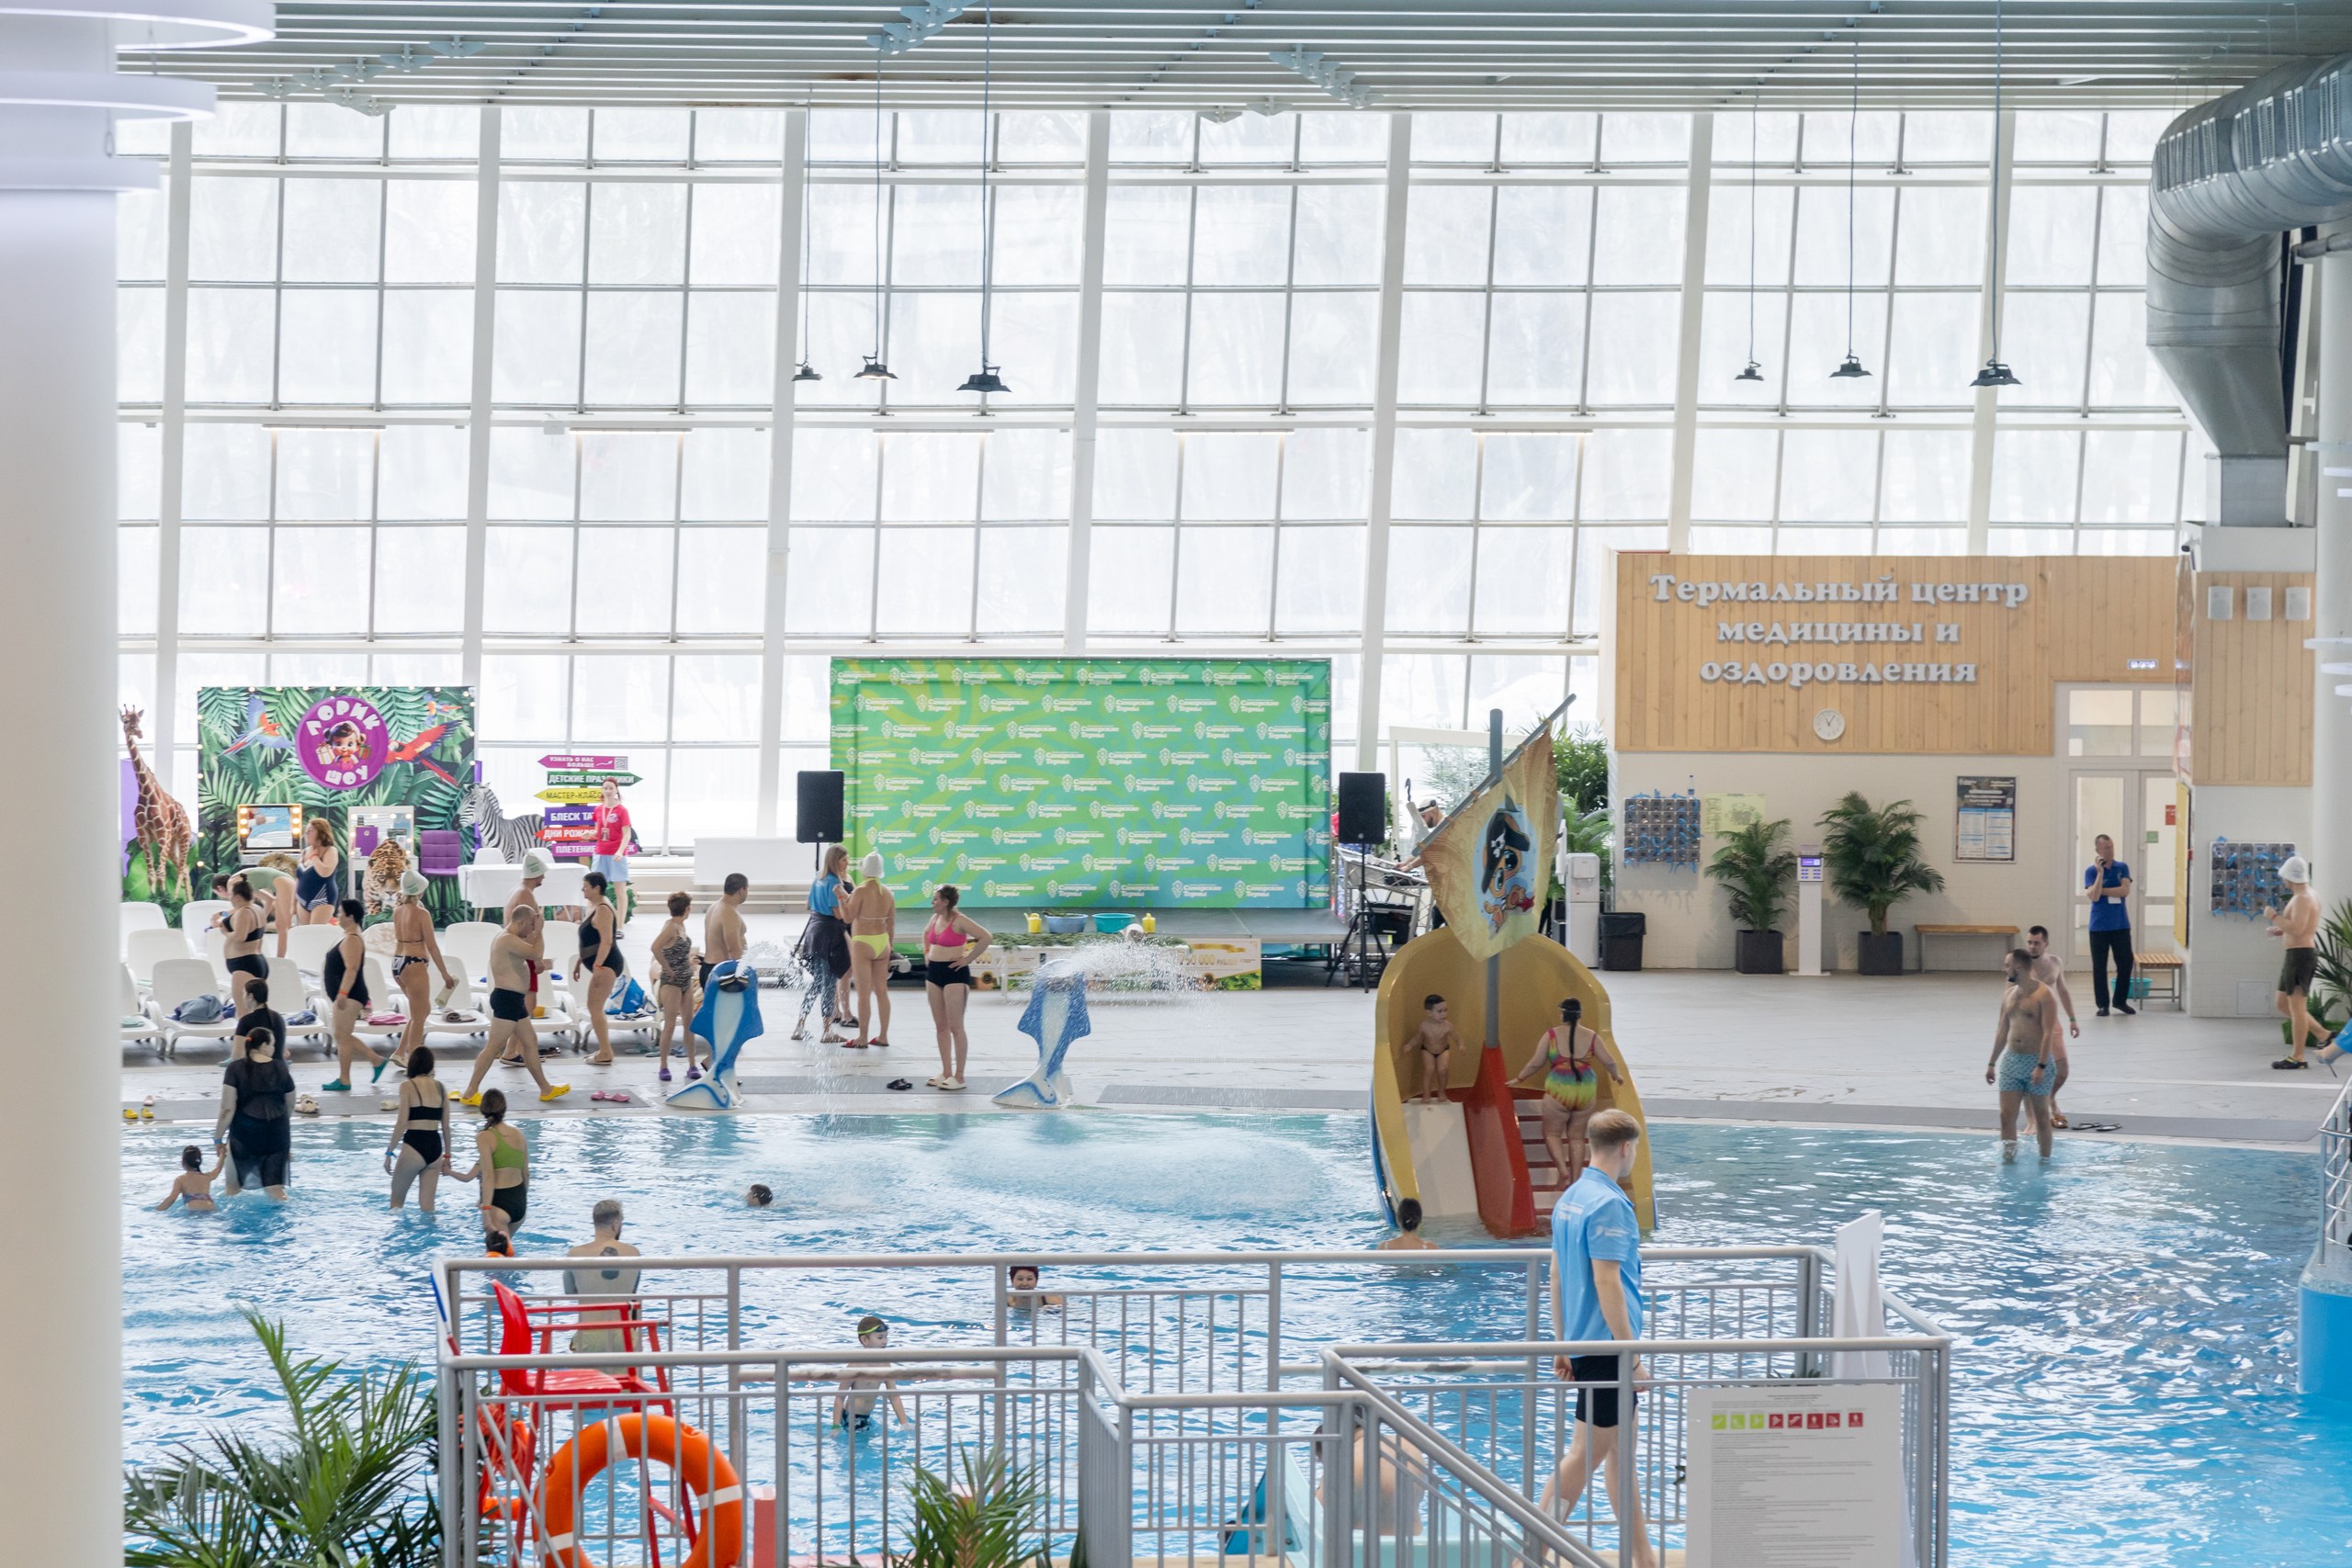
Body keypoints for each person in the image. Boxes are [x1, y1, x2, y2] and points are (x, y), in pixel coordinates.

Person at [1539, 1109, 1653, 1568]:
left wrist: (1563, 1343)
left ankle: (1643, 1560)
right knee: (1584, 1458)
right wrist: (1632, 1356)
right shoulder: (1609, 1205)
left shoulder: (1573, 1197)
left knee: (1620, 1459)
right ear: (1626, 1148)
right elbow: (1607, 1282)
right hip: (1607, 1351)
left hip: (1585, 1345)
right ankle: (1530, 1553)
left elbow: (1556, 1274)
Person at [1508, 998, 1628, 1190]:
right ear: (1580, 1015)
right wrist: (1616, 1076)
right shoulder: (1592, 1037)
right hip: (1585, 1090)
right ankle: (1575, 1180)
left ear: (1562, 1014)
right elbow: (1609, 1061)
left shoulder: (1552, 1035)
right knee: (1577, 1138)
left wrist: (1519, 1078)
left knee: (1552, 1133)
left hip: (1559, 1089)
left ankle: (1563, 1170)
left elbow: (1536, 1063)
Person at [462, 905, 568, 1104]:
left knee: (530, 1042)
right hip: (507, 1000)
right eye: (530, 925)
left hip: (514, 1000)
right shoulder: (507, 939)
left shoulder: (510, 939)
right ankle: (470, 1092)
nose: (531, 929)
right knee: (493, 1047)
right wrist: (540, 931)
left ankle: (546, 1089)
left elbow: (532, 957)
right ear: (521, 922)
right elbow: (535, 953)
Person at [1985, 947, 2059, 1162]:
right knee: (2006, 1116)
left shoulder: (2044, 995)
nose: (2004, 969)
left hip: (2037, 1060)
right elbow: (2002, 1030)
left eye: (2007, 965)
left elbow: (2048, 1033)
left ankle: (2044, 1161)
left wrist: (2041, 1066)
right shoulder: (2009, 994)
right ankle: (2009, 1161)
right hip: (2011, 1061)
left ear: (2018, 968)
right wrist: (1992, 1063)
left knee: (2042, 1117)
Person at [922, 885, 990, 1090]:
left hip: (954, 974)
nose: (932, 902)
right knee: (941, 1026)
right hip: (934, 973)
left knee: (956, 1027)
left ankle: (959, 1076)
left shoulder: (959, 920)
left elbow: (986, 937)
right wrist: (927, 952)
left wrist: (968, 959)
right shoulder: (934, 918)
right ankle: (946, 1072)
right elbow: (926, 934)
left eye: (936, 899)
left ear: (946, 902)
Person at [215, 1023, 294, 1201]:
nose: (273, 1049)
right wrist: (280, 1130)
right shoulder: (281, 1068)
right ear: (264, 1046)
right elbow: (290, 1105)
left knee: (232, 1189)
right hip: (278, 1134)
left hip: (245, 1134)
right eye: (272, 1045)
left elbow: (227, 1109)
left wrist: (218, 1139)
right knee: (275, 1191)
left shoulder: (235, 1068)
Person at [390, 870, 457, 1067]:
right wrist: (445, 974)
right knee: (419, 1016)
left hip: (397, 963)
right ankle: (414, 1063)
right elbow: (433, 946)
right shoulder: (422, 914)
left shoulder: (397, 911)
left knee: (421, 1011)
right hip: (414, 963)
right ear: (420, 891)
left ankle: (400, 1052)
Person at [2267, 856, 2328, 1069]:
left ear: (2289, 876)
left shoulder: (2302, 898)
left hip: (2300, 956)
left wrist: (2274, 917)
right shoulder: (2308, 895)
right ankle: (2323, 1034)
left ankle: (2298, 1057)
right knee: (2282, 1003)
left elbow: (2299, 929)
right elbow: (2298, 925)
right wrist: (2280, 930)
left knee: (2297, 1008)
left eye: (2284, 877)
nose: (2283, 881)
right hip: (2296, 955)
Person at [321, 898, 385, 1092]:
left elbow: (352, 969)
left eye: (341, 912)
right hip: (347, 994)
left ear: (350, 916)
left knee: (342, 1037)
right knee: (342, 1035)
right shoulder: (347, 935)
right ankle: (375, 1060)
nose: (337, 915)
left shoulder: (352, 939)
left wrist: (342, 993)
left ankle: (345, 1079)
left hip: (350, 994)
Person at [564, 1198, 643, 1351]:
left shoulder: (574, 1254)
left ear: (595, 1222)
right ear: (616, 1224)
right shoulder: (633, 1253)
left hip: (589, 1335)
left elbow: (569, 1291)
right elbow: (632, 1291)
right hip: (624, 1335)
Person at [794, 846, 854, 1043]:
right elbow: (838, 914)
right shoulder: (835, 882)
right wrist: (847, 903)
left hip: (814, 932)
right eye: (844, 860)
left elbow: (808, 905)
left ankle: (800, 1025)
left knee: (817, 983)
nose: (847, 863)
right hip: (830, 934)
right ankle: (827, 1030)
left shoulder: (818, 877)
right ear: (835, 861)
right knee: (828, 984)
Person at [2023, 926, 2080, 1128]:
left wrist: (2072, 1018)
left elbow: (2062, 990)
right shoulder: (2021, 965)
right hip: (2029, 1023)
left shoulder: (2056, 962)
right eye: (2030, 942)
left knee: (2062, 1070)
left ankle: (2049, 1098)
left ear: (2046, 943)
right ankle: (2034, 1117)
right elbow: (2009, 995)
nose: (2032, 947)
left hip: (2051, 1021)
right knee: (2032, 1070)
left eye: (2037, 943)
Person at [453, 1088, 529, 1237]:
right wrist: (521, 1200)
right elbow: (526, 1173)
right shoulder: (518, 1134)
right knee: (507, 1249)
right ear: (504, 1108)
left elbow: (488, 1177)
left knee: (497, 1251)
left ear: (483, 1109)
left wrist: (486, 1211)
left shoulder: (484, 1136)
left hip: (500, 1203)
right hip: (520, 1201)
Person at [841, 852, 898, 1049]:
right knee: (882, 991)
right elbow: (891, 924)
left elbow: (848, 917)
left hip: (862, 942)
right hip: (883, 943)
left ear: (864, 870)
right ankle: (883, 1036)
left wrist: (840, 898)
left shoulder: (860, 891)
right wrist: (889, 946)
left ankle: (862, 1037)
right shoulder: (888, 893)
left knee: (864, 994)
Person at [385, 1045, 449, 1212]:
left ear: (412, 1064)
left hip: (415, 1145)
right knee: (428, 1209)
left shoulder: (407, 1086)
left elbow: (401, 1123)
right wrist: (447, 1156)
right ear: (430, 1065)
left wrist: (389, 1152)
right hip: (435, 1148)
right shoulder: (441, 1088)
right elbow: (446, 1127)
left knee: (396, 1203)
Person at [573, 871, 626, 1067]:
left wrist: (597, 966)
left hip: (607, 964)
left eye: (586, 886)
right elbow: (591, 940)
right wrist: (581, 960)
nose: (582, 890)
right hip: (601, 963)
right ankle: (604, 1050)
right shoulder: (594, 905)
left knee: (594, 1007)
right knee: (594, 1007)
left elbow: (607, 942)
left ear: (596, 888)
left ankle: (605, 1052)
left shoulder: (603, 909)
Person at [2082, 833, 2136, 1017]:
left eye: (2112, 846)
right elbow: (2094, 896)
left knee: (2125, 963)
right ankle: (2102, 1005)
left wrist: (2100, 891)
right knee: (2099, 967)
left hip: (2120, 925)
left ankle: (2120, 1001)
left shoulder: (2122, 867)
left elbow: (2125, 891)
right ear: (2098, 850)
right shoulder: (2091, 871)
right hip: (2099, 927)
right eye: (2106, 848)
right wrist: (2100, 873)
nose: (2110, 850)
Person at [831, 1314, 912, 1430]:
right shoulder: (855, 1366)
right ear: (865, 1340)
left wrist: (904, 1423)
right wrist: (835, 1426)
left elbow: (894, 1396)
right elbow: (840, 1398)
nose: (885, 1341)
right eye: (880, 1338)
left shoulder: (885, 1364)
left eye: (886, 1337)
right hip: (851, 1418)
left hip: (865, 1417)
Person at [652, 890, 700, 1081]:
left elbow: (675, 951)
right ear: (687, 908)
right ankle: (663, 1066)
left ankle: (692, 1064)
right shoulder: (671, 927)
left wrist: (689, 962)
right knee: (670, 1025)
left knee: (689, 1024)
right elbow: (655, 947)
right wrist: (667, 968)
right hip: (671, 982)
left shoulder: (681, 927)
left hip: (686, 979)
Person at [589, 779, 634, 925]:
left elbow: (627, 834)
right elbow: (598, 831)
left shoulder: (622, 810)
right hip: (601, 852)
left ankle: (619, 926)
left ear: (616, 790)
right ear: (602, 790)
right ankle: (592, 922)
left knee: (620, 890)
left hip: (616, 854)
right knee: (595, 889)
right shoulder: (598, 810)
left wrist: (620, 851)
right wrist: (589, 834)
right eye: (605, 788)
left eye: (611, 788)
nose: (608, 791)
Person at [1408, 994, 1460, 1104]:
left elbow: (1456, 1037)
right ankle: (1426, 1094)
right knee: (1429, 1070)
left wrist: (1461, 1045)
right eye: (1440, 1011)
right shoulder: (1424, 1026)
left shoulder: (1448, 1025)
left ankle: (1442, 1092)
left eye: (1445, 1011)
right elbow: (1417, 1038)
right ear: (1429, 1013)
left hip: (1443, 1050)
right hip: (1427, 1050)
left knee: (1443, 1070)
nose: (1444, 1014)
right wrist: (1410, 1045)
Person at [221, 875, 269, 993]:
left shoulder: (244, 912)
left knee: (243, 1005)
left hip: (245, 965)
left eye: (230, 895)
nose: (229, 899)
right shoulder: (257, 909)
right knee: (256, 1003)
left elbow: (240, 937)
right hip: (255, 961)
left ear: (237, 897)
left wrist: (226, 933)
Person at [703, 870, 749, 989]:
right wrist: (741, 975)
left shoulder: (714, 907)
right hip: (722, 972)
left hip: (709, 968)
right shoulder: (729, 913)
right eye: (747, 889)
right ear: (742, 890)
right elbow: (733, 949)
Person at [295, 817, 342, 925]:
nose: (306, 834)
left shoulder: (330, 850)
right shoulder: (305, 852)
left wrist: (315, 857)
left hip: (322, 899)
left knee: (315, 931)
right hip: (302, 900)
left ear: (321, 834)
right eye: (306, 831)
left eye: (310, 831)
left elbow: (325, 872)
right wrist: (293, 902)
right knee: (305, 932)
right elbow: (298, 878)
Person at [156, 1143, 224, 1212]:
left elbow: (172, 1198)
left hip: (194, 1210)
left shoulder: (181, 1179)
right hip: (211, 1208)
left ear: (183, 1162)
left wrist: (157, 1210)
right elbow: (218, 1169)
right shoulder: (207, 1177)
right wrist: (222, 1154)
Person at [233, 971, 285, 1061]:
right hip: (279, 1067)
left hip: (257, 1068)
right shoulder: (278, 1018)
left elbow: (237, 1055)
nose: (243, 998)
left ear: (250, 996)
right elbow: (284, 1052)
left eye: (244, 993)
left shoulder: (245, 1021)